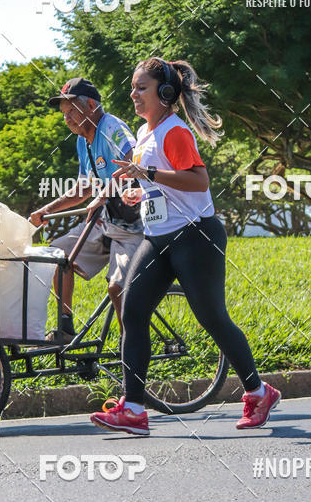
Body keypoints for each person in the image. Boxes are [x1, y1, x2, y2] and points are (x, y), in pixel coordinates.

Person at [90, 58, 280, 436]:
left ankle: (259, 391)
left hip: (196, 237)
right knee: (133, 311)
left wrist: (150, 175)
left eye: (141, 88)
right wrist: (138, 192)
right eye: (133, 88)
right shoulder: (146, 132)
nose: (133, 95)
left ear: (164, 94)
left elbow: (199, 181)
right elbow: (159, 183)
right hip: (158, 237)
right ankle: (133, 409)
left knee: (212, 318)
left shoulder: (174, 132)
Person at [29, 77, 143, 339]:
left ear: (91, 104)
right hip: (104, 221)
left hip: (132, 224)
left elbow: (133, 164)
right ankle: (65, 326)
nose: (67, 119)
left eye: (71, 111)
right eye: (64, 114)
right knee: (58, 254)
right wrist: (48, 210)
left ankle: (132, 352)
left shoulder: (112, 127)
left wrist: (103, 194)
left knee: (117, 288)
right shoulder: (83, 141)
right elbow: (84, 188)